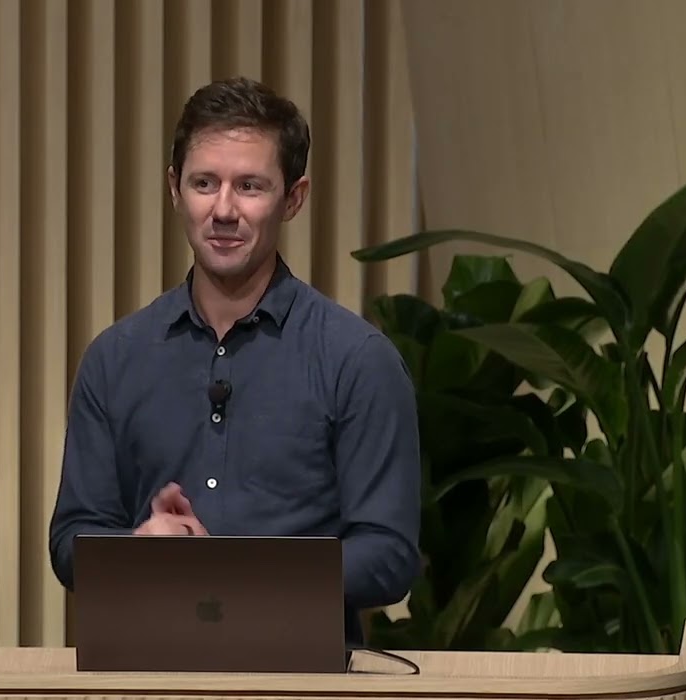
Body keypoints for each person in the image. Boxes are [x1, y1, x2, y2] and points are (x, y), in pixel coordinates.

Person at [47, 76, 422, 644]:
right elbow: (71, 542)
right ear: (175, 189)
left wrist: (231, 571)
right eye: (204, 183)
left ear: (293, 198)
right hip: (145, 675)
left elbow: (389, 556)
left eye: (249, 186)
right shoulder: (115, 358)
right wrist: (140, 548)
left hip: (304, 681)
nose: (223, 210)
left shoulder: (358, 361)